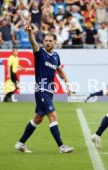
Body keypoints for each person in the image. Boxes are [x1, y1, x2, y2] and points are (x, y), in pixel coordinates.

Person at [15, 22, 74, 153]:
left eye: (50, 41)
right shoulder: (40, 53)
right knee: (53, 116)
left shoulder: (56, 56)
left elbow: (59, 70)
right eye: (46, 40)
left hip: (49, 91)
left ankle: (21, 143)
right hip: (41, 90)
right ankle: (61, 146)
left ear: (54, 43)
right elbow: (34, 43)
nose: (47, 43)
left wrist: (68, 84)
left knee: (38, 118)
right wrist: (30, 33)